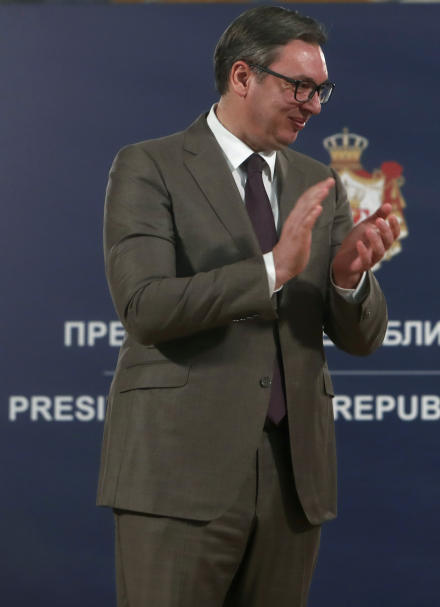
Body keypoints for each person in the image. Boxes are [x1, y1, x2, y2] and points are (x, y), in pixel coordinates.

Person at [97, 7, 401, 606]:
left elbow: (363, 337)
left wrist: (346, 281)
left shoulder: (319, 180)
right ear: (243, 76)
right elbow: (145, 306)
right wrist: (272, 270)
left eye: (321, 90)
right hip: (177, 479)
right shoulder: (149, 167)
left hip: (293, 482)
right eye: (299, 86)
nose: (314, 105)